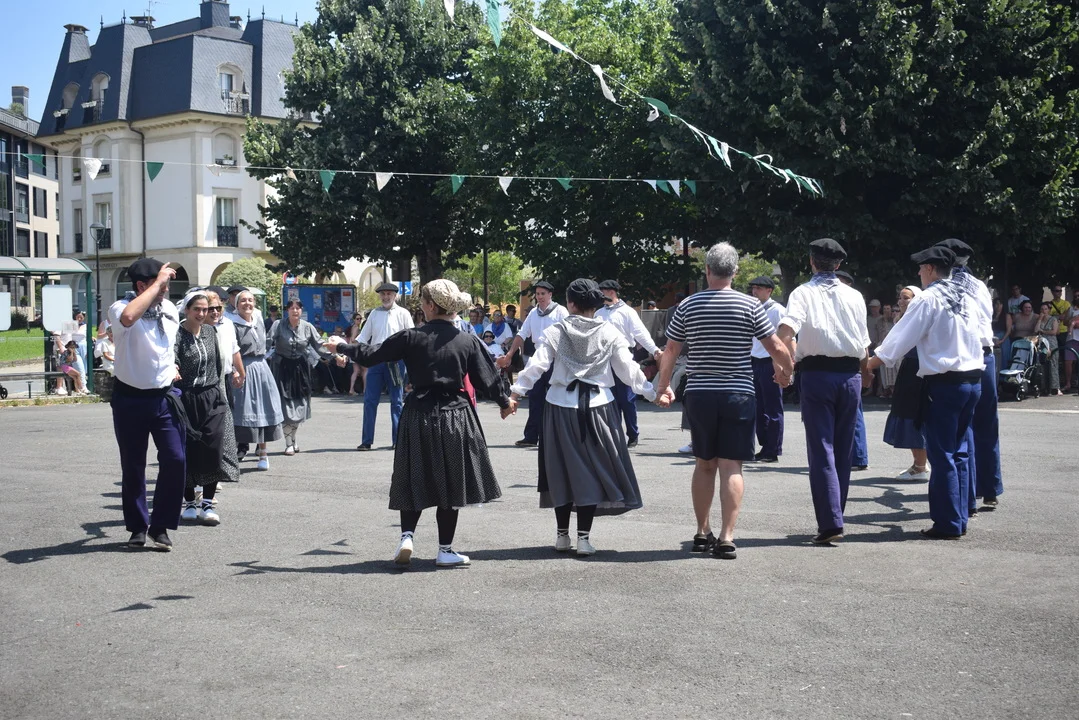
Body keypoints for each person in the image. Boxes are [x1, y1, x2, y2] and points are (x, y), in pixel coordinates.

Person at [328, 279, 510, 567]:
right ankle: (445, 549)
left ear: (430, 306)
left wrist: (340, 345)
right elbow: (486, 379)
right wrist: (505, 403)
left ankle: (407, 537)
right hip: (455, 415)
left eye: (423, 302)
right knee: (451, 482)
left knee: (414, 475)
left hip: (418, 414)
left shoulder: (410, 337)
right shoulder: (467, 340)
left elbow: (371, 355)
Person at [656, 243, 794, 559]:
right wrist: (786, 372)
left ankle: (701, 532)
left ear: (707, 270)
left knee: (704, 463)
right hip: (738, 393)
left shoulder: (688, 305)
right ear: (735, 271)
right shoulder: (751, 305)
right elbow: (775, 346)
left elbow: (671, 350)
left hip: (700, 393)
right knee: (732, 465)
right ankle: (727, 536)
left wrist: (663, 387)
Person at [511, 279, 657, 556]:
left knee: (560, 470)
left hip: (559, 406)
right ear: (595, 304)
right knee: (591, 471)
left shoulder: (556, 331)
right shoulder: (610, 332)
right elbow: (628, 370)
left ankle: (562, 536)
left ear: (570, 303)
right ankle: (584, 539)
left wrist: (515, 393)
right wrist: (653, 393)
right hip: (599, 407)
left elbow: (537, 365)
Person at [868, 246, 984, 539]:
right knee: (959, 451)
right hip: (972, 379)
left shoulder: (928, 298)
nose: (919, 273)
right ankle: (960, 516)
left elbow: (897, 341)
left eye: (921, 268)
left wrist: (866, 365)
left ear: (931, 269)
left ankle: (948, 523)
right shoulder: (967, 295)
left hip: (945, 383)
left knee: (942, 454)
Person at [775, 238, 870, 545]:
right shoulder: (854, 295)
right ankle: (836, 515)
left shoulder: (803, 292)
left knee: (822, 447)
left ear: (811, 262)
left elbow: (786, 331)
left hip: (817, 375)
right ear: (839, 264)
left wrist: (782, 366)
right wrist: (866, 373)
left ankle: (830, 521)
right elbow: (863, 342)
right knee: (843, 449)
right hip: (850, 374)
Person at [108, 258, 185, 550]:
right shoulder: (120, 308)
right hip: (130, 398)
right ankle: (138, 527)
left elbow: (166, 346)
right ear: (142, 285)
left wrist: (172, 365)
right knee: (133, 464)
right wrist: (157, 284)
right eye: (160, 284)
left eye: (166, 285)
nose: (166, 290)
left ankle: (161, 525)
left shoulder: (169, 308)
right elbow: (130, 317)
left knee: (176, 459)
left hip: (164, 397)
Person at [935, 238, 1001, 513]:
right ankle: (991, 488)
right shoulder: (979, 285)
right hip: (986, 354)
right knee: (988, 424)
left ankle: (967, 495)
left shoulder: (943, 287)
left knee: (964, 428)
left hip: (962, 357)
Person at [175, 293, 242, 526]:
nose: (202, 314)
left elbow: (217, 366)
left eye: (205, 309)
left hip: (212, 396)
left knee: (213, 447)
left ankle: (207, 503)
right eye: (197, 309)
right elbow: (173, 359)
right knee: (188, 450)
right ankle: (189, 502)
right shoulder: (177, 334)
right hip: (186, 397)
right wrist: (174, 368)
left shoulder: (210, 332)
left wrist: (219, 393)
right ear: (187, 310)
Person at [497, 281, 569, 447]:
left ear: (550, 294)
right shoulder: (533, 314)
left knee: (557, 399)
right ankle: (531, 436)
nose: (540, 297)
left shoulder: (560, 311)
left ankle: (557, 438)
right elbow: (521, 335)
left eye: (543, 293)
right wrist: (509, 354)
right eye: (537, 294)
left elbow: (568, 335)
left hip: (556, 360)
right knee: (535, 397)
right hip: (538, 358)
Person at [596, 279, 662, 447]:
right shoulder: (599, 313)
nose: (600, 295)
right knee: (610, 399)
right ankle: (615, 434)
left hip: (623, 357)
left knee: (626, 398)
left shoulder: (627, 312)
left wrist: (654, 350)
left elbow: (641, 333)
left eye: (602, 291)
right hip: (605, 360)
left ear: (611, 292)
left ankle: (632, 433)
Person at [268, 298, 332, 455]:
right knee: (285, 407)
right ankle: (288, 443)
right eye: (292, 308)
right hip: (282, 368)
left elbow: (320, 346)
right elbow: (266, 343)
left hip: (300, 370)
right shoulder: (278, 325)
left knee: (299, 406)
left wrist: (336, 356)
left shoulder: (308, 327)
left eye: (298, 308)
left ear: (301, 310)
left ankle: (293, 439)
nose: (295, 310)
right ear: (287, 310)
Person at [355, 282, 414, 451]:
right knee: (370, 400)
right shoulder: (374, 314)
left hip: (396, 361)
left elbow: (411, 338)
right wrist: (349, 352)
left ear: (395, 296)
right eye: (383, 294)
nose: (386, 297)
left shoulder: (403, 313)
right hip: (376, 360)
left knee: (396, 401)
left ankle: (398, 440)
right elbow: (363, 337)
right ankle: (367, 440)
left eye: (389, 294)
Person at [879, 286, 930, 481]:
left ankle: (920, 466)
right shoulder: (903, 319)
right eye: (900, 298)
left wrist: (870, 364)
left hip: (919, 368)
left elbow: (894, 346)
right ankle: (919, 464)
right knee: (907, 414)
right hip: (909, 366)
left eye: (906, 298)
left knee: (914, 415)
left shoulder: (918, 318)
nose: (901, 301)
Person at [231, 290, 284, 470]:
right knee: (240, 411)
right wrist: (236, 371)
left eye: (250, 300)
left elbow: (266, 344)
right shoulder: (232, 324)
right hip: (243, 368)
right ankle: (232, 453)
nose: (247, 303)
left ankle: (263, 453)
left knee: (263, 409)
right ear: (237, 305)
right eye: (243, 300)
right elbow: (232, 351)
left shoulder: (258, 320)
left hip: (261, 368)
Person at [746, 275, 785, 463]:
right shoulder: (753, 309)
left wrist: (783, 366)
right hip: (755, 360)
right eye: (753, 288)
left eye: (759, 289)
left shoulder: (777, 310)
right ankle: (765, 445)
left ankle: (773, 449)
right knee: (758, 407)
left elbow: (785, 340)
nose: (754, 292)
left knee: (773, 407)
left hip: (771, 362)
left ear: (769, 291)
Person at [834, 271, 870, 472]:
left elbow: (863, 340)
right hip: (843, 364)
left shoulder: (853, 301)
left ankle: (858, 456)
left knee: (853, 415)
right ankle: (853, 456)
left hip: (850, 364)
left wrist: (866, 370)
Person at [1037, 302, 1062, 395]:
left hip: (1051, 342)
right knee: (1042, 364)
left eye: (1045, 309)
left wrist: (1043, 331)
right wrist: (1040, 319)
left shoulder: (1053, 319)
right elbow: (1036, 330)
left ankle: (1055, 387)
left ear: (1049, 310)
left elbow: (1054, 332)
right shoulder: (1039, 319)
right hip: (1042, 343)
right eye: (1042, 309)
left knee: (1053, 364)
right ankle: (1044, 387)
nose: (1044, 311)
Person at [1064, 293, 1079, 393]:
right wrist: (1072, 321)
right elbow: (1065, 322)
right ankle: (1068, 383)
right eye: (1075, 296)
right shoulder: (1071, 309)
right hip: (1072, 338)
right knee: (1068, 361)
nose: (1077, 298)